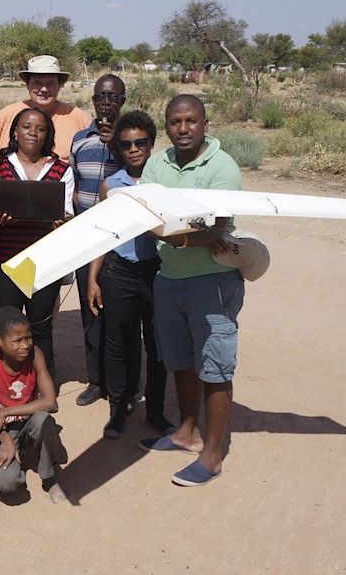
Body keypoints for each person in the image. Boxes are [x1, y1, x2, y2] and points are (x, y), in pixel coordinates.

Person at [137, 95, 243, 488]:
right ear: (166, 126)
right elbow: (144, 209)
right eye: (176, 122)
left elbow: (217, 229)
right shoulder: (157, 163)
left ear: (205, 124)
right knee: (180, 361)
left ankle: (212, 455)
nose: (183, 129)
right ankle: (187, 432)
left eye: (191, 121)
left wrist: (177, 234)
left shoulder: (222, 167)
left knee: (214, 366)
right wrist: (186, 233)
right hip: (169, 278)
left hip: (212, 282)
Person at [86, 111, 174, 439]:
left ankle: (155, 410)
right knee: (117, 342)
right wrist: (94, 279)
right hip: (119, 272)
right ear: (119, 150)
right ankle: (118, 408)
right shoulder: (113, 185)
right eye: (126, 145)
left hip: (157, 272)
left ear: (151, 144)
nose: (134, 149)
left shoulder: (163, 183)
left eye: (140, 142)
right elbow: (103, 234)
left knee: (157, 343)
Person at [0, 107, 75, 381]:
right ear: (14, 133)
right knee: (8, 327)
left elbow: (67, 211)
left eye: (40, 128)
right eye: (25, 127)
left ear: (49, 134)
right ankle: (9, 385)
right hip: (6, 260)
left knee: (41, 328)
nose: (33, 133)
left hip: (44, 262)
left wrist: (63, 222)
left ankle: (44, 384)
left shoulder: (61, 170)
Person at [68, 74, 126, 407]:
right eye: (100, 96)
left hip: (120, 242)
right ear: (93, 100)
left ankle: (123, 384)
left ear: (122, 100)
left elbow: (140, 176)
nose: (106, 102)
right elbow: (72, 183)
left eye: (112, 96)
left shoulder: (131, 139)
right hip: (85, 238)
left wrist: (117, 144)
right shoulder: (79, 140)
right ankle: (96, 380)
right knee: (90, 314)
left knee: (120, 314)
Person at [0, 307, 66, 502]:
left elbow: (50, 402)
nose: (25, 345)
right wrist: (4, 438)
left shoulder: (35, 355)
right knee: (8, 484)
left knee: (45, 420)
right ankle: (17, 460)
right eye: (17, 340)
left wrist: (6, 411)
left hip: (29, 422)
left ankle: (49, 476)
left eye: (28, 337)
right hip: (2, 429)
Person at [0, 55, 91, 160]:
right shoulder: (6, 115)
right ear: (27, 85)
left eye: (51, 83)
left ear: (59, 86)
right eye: (37, 83)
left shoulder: (78, 118)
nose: (44, 89)